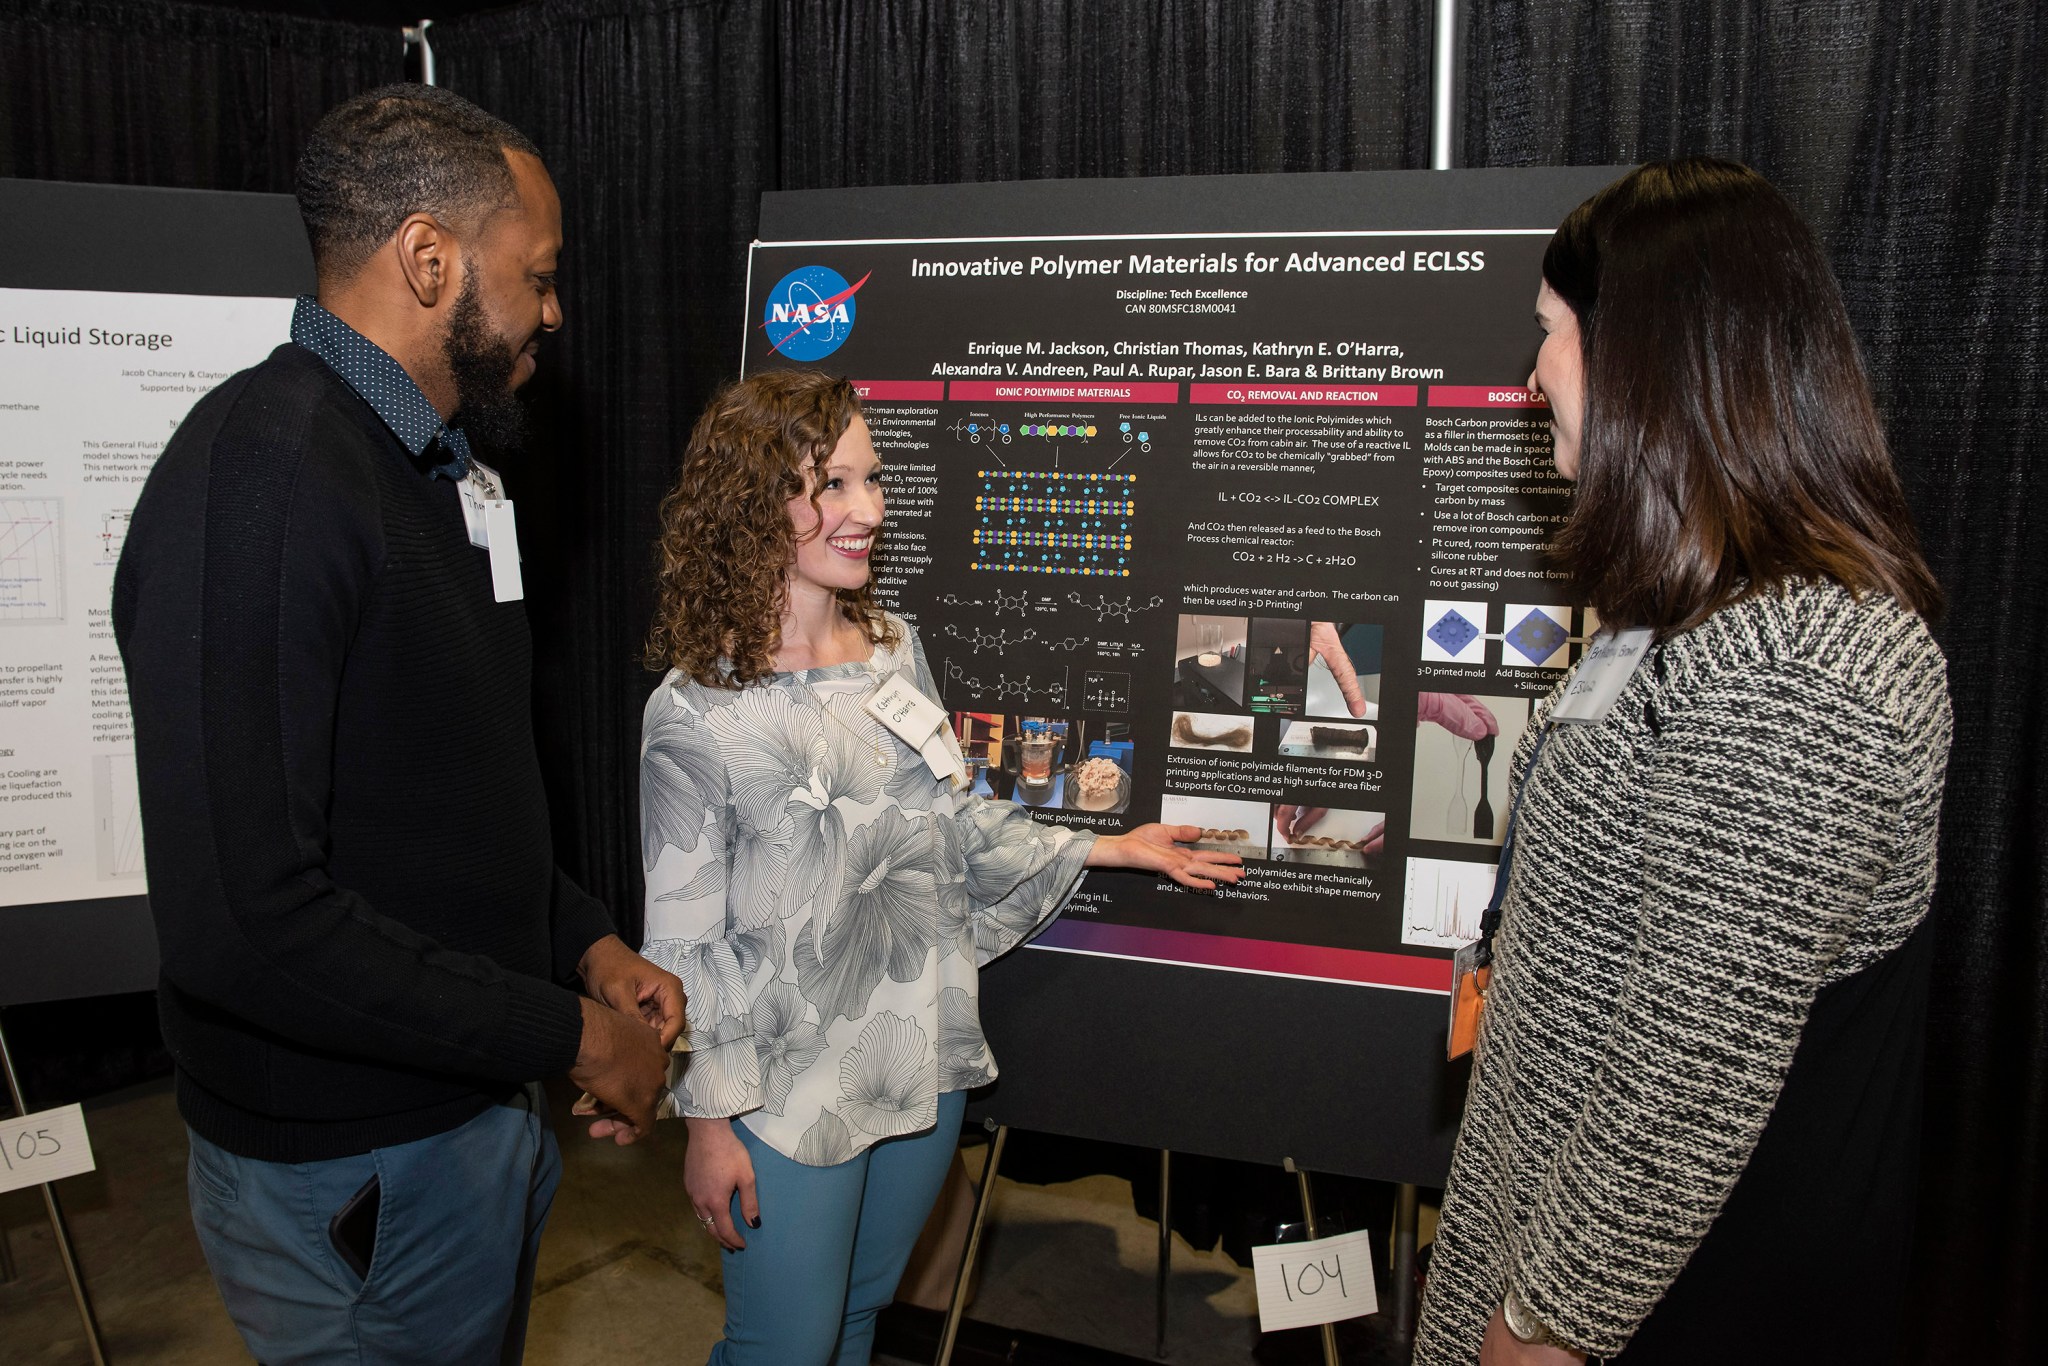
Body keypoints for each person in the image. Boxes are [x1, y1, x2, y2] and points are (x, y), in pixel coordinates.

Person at [113, 85, 684, 1364]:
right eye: (534, 276)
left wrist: (582, 942)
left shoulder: (428, 473)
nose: (552, 310)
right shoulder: (264, 480)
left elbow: (435, 801)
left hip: (459, 1130)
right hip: (353, 1177)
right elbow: (248, 922)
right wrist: (575, 1036)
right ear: (430, 258)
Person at [1412, 158, 1950, 1365]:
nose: (1530, 373)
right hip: (1554, 1227)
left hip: (1667, 1307)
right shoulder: (1683, 613)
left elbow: (1682, 1077)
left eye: (1548, 333)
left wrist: (1534, 1331)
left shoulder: (1807, 663)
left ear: (1649, 357)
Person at [623, 370, 1244, 1365]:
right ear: (751, 503)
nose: (867, 508)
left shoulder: (890, 647)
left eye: (871, 479)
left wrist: (1103, 843)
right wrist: (705, 1121)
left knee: (861, 1321)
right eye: (831, 484)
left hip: (916, 1052)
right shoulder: (694, 710)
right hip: (782, 1092)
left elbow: (945, 814)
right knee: (781, 1345)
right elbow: (684, 942)